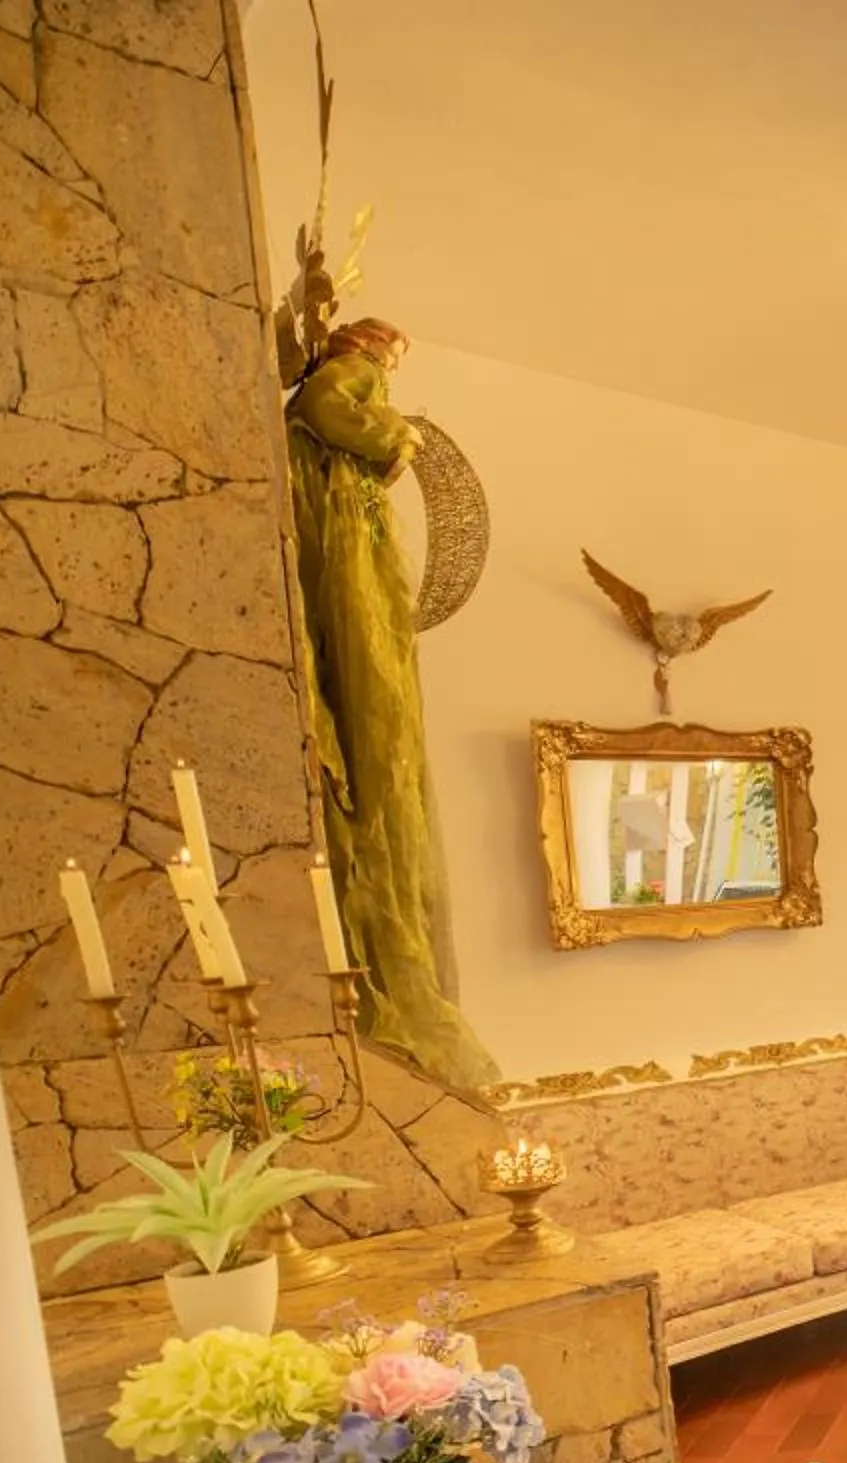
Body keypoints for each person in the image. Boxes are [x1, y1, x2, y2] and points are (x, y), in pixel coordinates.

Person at [291, 317, 499, 1092]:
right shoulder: (346, 383)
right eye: (392, 356)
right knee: (373, 702)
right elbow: (345, 422)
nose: (391, 368)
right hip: (339, 537)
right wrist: (400, 441)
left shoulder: (339, 396)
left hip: (344, 526)